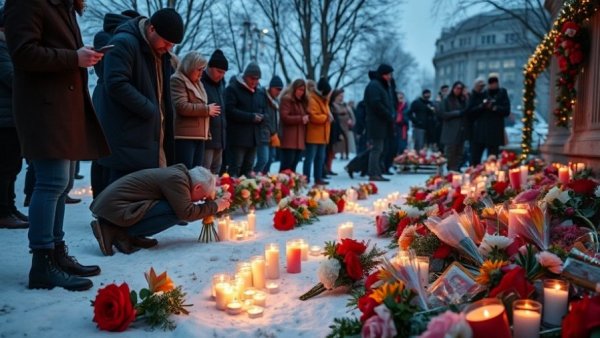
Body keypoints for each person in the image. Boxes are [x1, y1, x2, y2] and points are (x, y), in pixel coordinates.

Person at [5, 0, 110, 291]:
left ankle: (56, 251)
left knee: (61, 185)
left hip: (62, 108)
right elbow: (23, 52)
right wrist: (73, 58)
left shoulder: (63, 6)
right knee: (51, 183)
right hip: (43, 108)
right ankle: (42, 262)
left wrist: (82, 56)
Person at [96, 8, 184, 183]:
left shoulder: (158, 51)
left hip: (146, 139)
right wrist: (149, 109)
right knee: (122, 196)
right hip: (128, 138)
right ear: (151, 29)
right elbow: (116, 82)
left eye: (172, 45)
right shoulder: (124, 42)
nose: (168, 48)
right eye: (166, 42)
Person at [90, 165, 231, 256]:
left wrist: (210, 202)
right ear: (197, 187)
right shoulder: (177, 180)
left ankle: (131, 235)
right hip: (113, 208)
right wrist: (215, 206)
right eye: (203, 197)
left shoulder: (180, 177)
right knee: (177, 212)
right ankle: (117, 230)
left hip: (116, 206)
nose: (200, 200)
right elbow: (186, 213)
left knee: (177, 208)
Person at [90, 10, 139, 198]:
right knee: (102, 152)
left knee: (109, 152)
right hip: (106, 97)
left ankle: (105, 199)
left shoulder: (115, 37)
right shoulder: (108, 38)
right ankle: (99, 198)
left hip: (108, 96)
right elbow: (107, 70)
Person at [0, 9, 28, 229]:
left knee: (12, 166)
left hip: (12, 116)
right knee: (6, 166)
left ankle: (9, 207)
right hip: (4, 118)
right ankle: (3, 211)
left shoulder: (7, 47)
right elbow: (11, 77)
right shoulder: (2, 48)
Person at [171, 52, 219, 169]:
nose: (201, 73)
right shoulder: (177, 80)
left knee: (195, 173)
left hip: (199, 136)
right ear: (190, 66)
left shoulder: (197, 83)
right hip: (185, 136)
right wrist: (207, 109)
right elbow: (181, 106)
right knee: (185, 172)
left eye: (203, 69)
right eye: (199, 69)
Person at [224, 62, 268, 177]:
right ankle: (231, 192)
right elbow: (229, 110)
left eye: (257, 79)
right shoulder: (233, 89)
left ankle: (246, 193)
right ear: (245, 76)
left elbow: (265, 111)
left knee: (248, 168)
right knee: (235, 167)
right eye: (252, 78)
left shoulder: (259, 92)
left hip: (253, 139)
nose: (255, 81)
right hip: (238, 138)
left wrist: (262, 118)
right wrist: (251, 117)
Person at [470, 73, 511, 164]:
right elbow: (472, 110)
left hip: (494, 132)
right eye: (491, 83)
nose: (493, 85)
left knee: (492, 160)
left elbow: (506, 111)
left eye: (495, 82)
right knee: (475, 159)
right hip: (481, 132)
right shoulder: (482, 94)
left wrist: (494, 108)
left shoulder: (502, 93)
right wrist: (483, 105)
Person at [364, 64, 395, 182]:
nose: (390, 77)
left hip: (381, 122)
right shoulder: (375, 86)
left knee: (380, 148)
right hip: (376, 122)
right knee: (376, 149)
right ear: (383, 74)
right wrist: (387, 114)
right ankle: (373, 173)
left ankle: (377, 172)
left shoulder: (380, 85)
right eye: (388, 74)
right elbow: (376, 103)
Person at [202, 49, 228, 174]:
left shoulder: (221, 85)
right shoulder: (201, 82)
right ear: (209, 67)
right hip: (207, 138)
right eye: (219, 71)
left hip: (220, 138)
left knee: (215, 172)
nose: (221, 75)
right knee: (204, 172)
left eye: (224, 73)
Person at [304, 77, 332, 185]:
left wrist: (327, 117)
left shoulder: (323, 100)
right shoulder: (312, 99)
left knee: (320, 158)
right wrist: (326, 118)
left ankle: (318, 178)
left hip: (322, 134)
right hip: (313, 134)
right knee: (310, 158)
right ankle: (306, 179)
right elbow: (313, 116)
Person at [278, 79, 309, 172]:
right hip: (289, 139)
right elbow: (284, 117)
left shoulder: (302, 102)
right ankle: (281, 185)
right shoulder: (287, 99)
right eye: (299, 89)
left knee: (294, 166)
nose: (301, 92)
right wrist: (301, 118)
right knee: (286, 166)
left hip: (299, 140)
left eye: (303, 90)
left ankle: (290, 185)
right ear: (294, 89)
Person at [255, 76, 283, 174]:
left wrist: (276, 133)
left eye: (281, 89)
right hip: (263, 134)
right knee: (263, 160)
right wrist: (272, 132)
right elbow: (264, 117)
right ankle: (254, 176)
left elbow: (277, 120)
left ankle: (264, 180)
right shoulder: (262, 96)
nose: (279, 91)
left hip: (273, 135)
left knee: (271, 159)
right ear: (271, 87)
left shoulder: (276, 101)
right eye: (277, 89)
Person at [439, 81, 468, 171]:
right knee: (451, 152)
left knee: (460, 151)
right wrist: (457, 113)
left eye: (460, 89)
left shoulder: (464, 100)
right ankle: (451, 170)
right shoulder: (447, 100)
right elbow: (443, 114)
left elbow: (468, 110)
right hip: (450, 131)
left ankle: (456, 169)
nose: (458, 91)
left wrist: (466, 97)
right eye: (457, 88)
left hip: (462, 130)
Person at [466, 77, 486, 166]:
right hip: (473, 129)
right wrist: (481, 106)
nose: (481, 88)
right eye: (479, 86)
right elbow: (469, 111)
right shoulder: (471, 97)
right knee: (474, 154)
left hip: (483, 129)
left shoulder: (484, 96)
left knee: (480, 154)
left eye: (482, 86)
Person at [331, 89, 355, 160]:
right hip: (337, 125)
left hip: (346, 126)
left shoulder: (345, 105)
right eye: (340, 96)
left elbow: (351, 115)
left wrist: (351, 120)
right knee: (339, 141)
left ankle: (346, 154)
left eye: (342, 96)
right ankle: (335, 154)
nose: (341, 97)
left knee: (346, 140)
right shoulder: (333, 105)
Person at [394, 91, 410, 156]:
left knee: (402, 145)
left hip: (403, 128)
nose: (400, 99)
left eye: (401, 98)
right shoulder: (394, 106)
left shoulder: (405, 106)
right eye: (399, 98)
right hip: (395, 128)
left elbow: (407, 117)